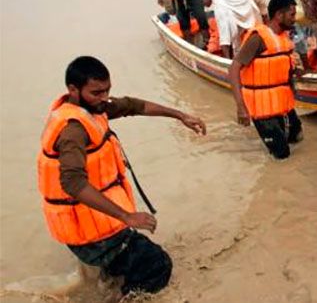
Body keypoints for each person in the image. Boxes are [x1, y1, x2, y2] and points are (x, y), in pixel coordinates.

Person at [38, 56, 206, 296]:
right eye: (97, 92)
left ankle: (106, 278)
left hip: (93, 221)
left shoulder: (92, 108)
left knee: (127, 263)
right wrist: (126, 216)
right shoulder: (72, 130)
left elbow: (133, 106)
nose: (104, 98)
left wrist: (180, 115)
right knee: (157, 266)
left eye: (107, 90)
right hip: (89, 231)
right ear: (73, 90)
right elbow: (72, 183)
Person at [228, 0, 304, 160]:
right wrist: (241, 107)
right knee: (282, 155)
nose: (295, 19)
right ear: (279, 15)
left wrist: (296, 69)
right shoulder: (258, 39)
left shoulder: (284, 37)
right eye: (291, 15)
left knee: (298, 138)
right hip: (263, 109)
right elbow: (234, 69)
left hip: (282, 103)